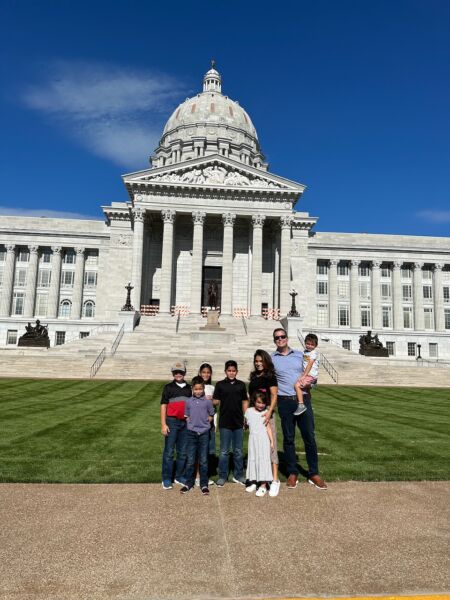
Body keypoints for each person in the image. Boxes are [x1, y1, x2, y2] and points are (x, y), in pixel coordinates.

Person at [271, 328, 327, 490]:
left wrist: (311, 385)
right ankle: (292, 472)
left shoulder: (300, 354)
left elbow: (313, 373)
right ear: (274, 340)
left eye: (282, 336)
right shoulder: (272, 358)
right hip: (284, 401)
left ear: (287, 338)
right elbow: (269, 380)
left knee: (309, 436)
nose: (280, 339)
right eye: (277, 338)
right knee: (288, 438)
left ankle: (314, 473)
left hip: (303, 399)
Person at [247, 349, 281, 497]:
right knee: (257, 448)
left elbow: (274, 395)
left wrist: (269, 412)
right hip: (255, 413)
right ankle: (258, 479)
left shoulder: (270, 376)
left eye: (261, 361)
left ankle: (274, 480)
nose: (258, 363)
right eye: (256, 361)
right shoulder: (254, 377)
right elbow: (251, 397)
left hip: (267, 412)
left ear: (266, 361)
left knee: (271, 446)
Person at [213, 360, 248, 487]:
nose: (231, 373)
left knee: (238, 450)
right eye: (229, 371)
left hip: (238, 422)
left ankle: (239, 475)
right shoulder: (220, 385)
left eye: (233, 371)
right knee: (224, 451)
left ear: (236, 371)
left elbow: (245, 401)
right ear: (225, 371)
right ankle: (223, 475)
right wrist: (208, 399)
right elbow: (216, 401)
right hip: (225, 422)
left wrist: (246, 417)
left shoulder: (241, 385)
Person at [160, 362, 192, 490]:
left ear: (184, 373)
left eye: (181, 372)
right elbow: (163, 405)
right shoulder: (168, 387)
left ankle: (179, 476)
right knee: (169, 452)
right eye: (175, 372)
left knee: (182, 452)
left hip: (185, 423)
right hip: (172, 422)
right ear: (172, 373)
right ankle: (166, 478)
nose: (178, 374)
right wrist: (163, 424)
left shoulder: (189, 388)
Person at [180, 379, 215, 496]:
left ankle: (203, 484)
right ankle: (188, 483)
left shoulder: (207, 402)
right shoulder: (189, 402)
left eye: (200, 389)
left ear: (203, 389)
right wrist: (190, 424)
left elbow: (211, 414)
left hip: (204, 433)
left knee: (203, 460)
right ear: (192, 389)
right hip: (191, 433)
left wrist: (206, 423)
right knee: (190, 460)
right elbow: (186, 415)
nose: (198, 391)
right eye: (196, 389)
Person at [245, 391, 274, 497]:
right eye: (259, 402)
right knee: (252, 459)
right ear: (254, 401)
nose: (261, 405)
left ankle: (263, 485)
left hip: (263, 440)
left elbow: (268, 428)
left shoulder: (266, 413)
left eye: (263, 403)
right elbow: (246, 424)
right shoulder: (248, 411)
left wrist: (271, 441)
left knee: (263, 461)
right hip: (253, 440)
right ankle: (253, 481)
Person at [293, 333, 320, 416]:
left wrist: (304, 376)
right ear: (305, 343)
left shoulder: (313, 353)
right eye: (308, 344)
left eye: (312, 345)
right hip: (307, 374)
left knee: (297, 385)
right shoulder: (305, 352)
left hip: (310, 375)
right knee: (307, 391)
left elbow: (309, 365)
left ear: (315, 345)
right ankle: (309, 404)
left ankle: (301, 405)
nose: (309, 346)